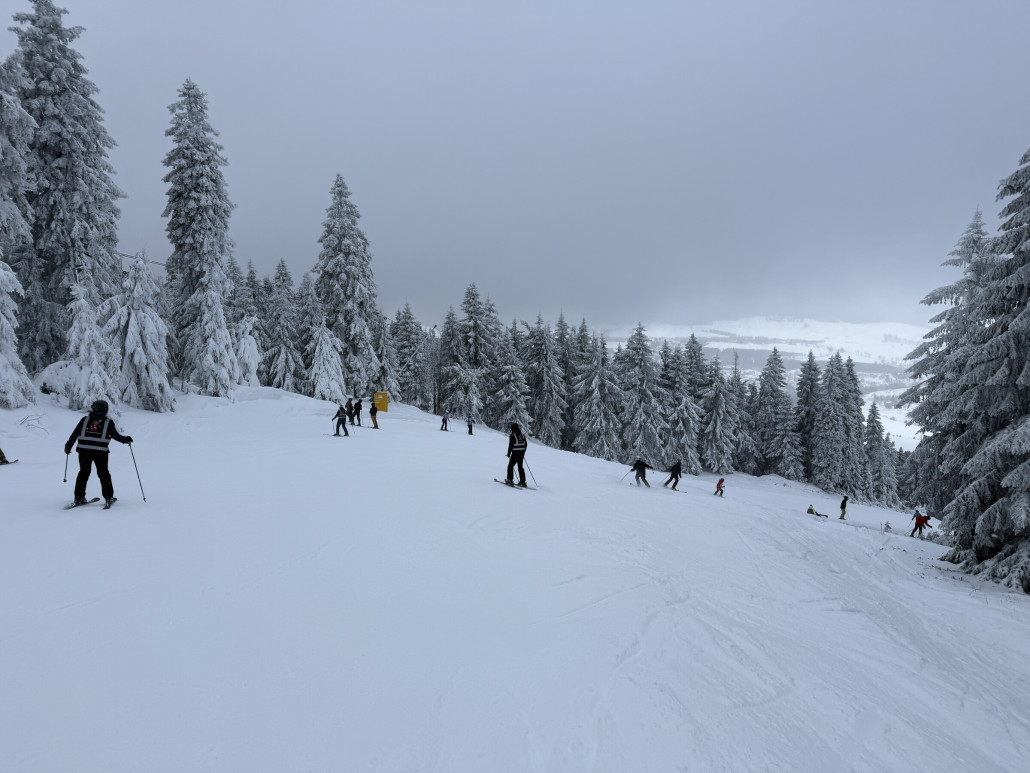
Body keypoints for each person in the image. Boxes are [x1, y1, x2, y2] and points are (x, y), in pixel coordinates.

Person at [64, 399, 132, 507]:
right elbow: (115, 436)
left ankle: (79, 497)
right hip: (100, 453)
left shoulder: (84, 420)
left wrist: (68, 445)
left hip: (84, 451)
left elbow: (75, 433)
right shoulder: (108, 422)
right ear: (105, 410)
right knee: (103, 474)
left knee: (83, 473)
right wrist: (126, 440)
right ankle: (108, 497)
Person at [505, 423, 528, 487]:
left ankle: (510, 480)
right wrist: (523, 453)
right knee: (520, 467)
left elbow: (511, 445)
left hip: (515, 454)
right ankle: (523, 482)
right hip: (521, 454)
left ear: (512, 428)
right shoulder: (522, 435)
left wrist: (508, 454)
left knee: (510, 466)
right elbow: (525, 445)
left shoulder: (512, 435)